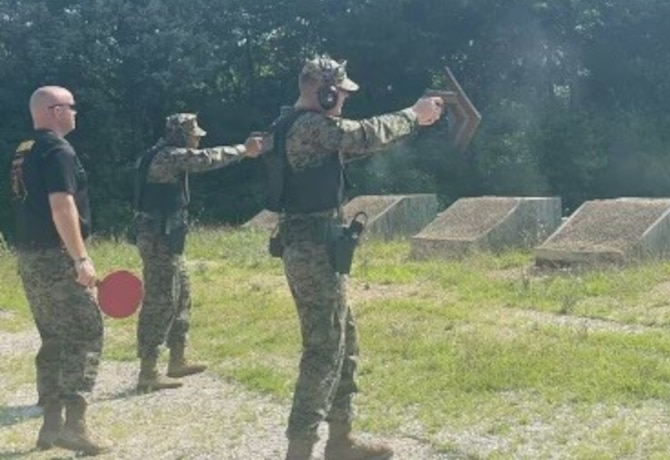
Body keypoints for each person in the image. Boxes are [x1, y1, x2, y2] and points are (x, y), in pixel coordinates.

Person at [268, 55, 443, 460]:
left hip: (317, 248)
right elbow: (362, 135)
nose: (343, 101)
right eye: (340, 94)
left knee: (342, 340)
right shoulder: (309, 126)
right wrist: (413, 116)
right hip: (313, 250)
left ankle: (340, 440)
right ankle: (300, 449)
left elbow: (358, 142)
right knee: (323, 350)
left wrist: (409, 124)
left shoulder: (292, 125)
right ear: (324, 90)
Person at [10, 86, 111, 455]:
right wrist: (80, 258)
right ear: (54, 111)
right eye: (71, 107)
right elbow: (61, 205)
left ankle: (50, 425)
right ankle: (74, 425)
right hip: (56, 257)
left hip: (30, 258)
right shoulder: (57, 150)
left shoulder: (24, 151)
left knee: (53, 337)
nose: (75, 113)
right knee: (86, 333)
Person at [133, 112, 263, 392]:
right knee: (160, 300)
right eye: (193, 135)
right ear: (180, 135)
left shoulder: (161, 155)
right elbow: (206, 159)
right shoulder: (166, 157)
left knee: (182, 295)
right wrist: (244, 149)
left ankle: (177, 358)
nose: (197, 140)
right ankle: (148, 370)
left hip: (167, 238)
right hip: (159, 239)